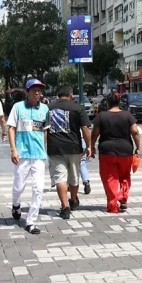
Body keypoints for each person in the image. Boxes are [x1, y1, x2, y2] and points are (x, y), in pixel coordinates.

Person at [8, 78, 50, 234]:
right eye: (34, 90)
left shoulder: (45, 109)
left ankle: (31, 221)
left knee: (38, 188)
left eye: (39, 90)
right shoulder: (18, 107)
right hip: (22, 154)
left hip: (39, 155)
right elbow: (11, 129)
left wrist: (45, 148)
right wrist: (13, 149)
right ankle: (16, 205)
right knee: (19, 187)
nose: (37, 92)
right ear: (27, 92)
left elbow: (45, 131)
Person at [46, 86, 92, 219]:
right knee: (74, 176)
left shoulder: (48, 108)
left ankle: (65, 206)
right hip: (74, 147)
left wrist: (44, 145)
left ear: (58, 95)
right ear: (71, 95)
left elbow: (44, 129)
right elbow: (85, 128)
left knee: (59, 177)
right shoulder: (77, 108)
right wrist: (89, 146)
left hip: (55, 148)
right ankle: (73, 199)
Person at [91, 93, 141, 214]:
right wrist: (138, 147)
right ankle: (122, 196)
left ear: (108, 103)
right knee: (125, 175)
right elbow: (135, 132)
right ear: (119, 103)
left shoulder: (101, 116)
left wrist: (91, 146)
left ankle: (112, 205)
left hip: (106, 151)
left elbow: (95, 133)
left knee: (109, 178)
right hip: (125, 150)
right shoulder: (127, 115)